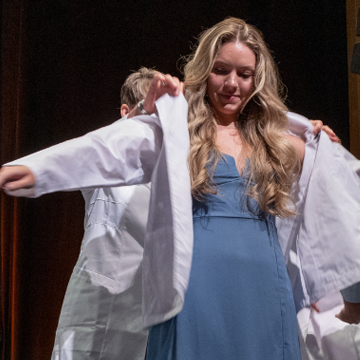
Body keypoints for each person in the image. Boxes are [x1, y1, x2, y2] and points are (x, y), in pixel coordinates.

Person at [1, 18, 359, 360]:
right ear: (204, 72)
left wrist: (353, 296)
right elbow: (106, 148)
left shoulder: (281, 143)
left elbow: (341, 202)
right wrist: (34, 169)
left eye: (244, 74)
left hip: (263, 286)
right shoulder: (176, 132)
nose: (232, 83)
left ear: (258, 79)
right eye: (221, 70)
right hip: (196, 284)